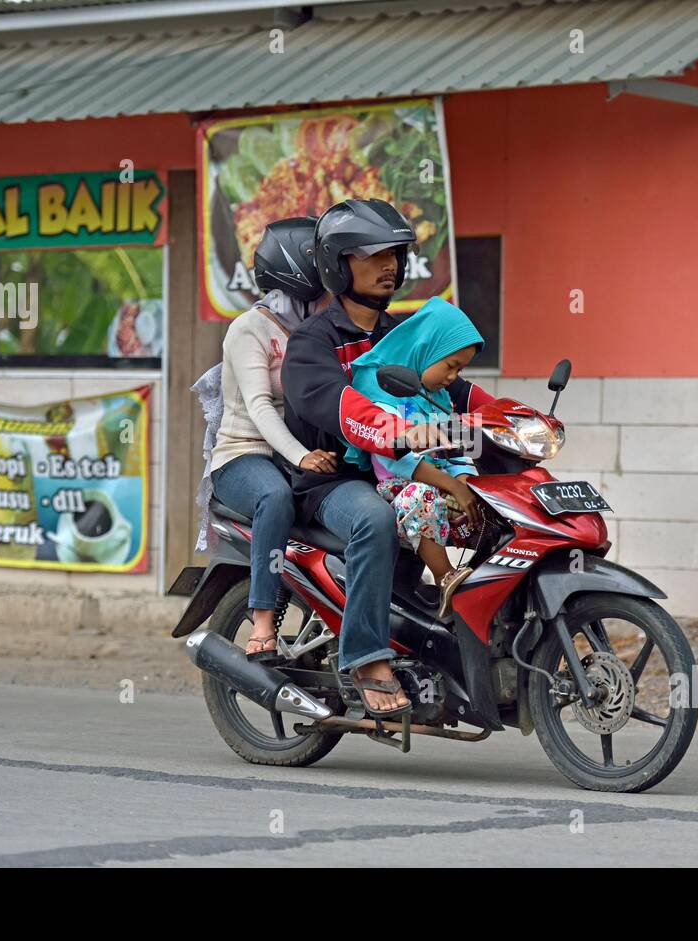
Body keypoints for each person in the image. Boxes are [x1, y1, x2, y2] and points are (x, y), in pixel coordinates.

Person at [282, 199, 495, 716]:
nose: (390, 267)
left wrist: (512, 421)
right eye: (372, 255)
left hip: (400, 469)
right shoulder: (314, 341)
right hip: (334, 481)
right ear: (337, 262)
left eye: (396, 255)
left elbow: (451, 389)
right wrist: (397, 433)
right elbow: (341, 405)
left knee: (492, 502)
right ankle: (365, 657)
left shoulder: (397, 334)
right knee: (375, 519)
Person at [207, 217, 337, 655]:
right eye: (318, 292)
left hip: (297, 454)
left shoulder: (315, 331)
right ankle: (261, 622)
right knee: (275, 498)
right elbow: (260, 407)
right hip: (244, 455)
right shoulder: (250, 329)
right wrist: (301, 457)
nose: (326, 300)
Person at [343, 296, 486, 619]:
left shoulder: (438, 397)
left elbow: (455, 447)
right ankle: (445, 576)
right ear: (426, 348)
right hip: (398, 487)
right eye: (450, 366)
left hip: (440, 484)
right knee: (419, 497)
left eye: (460, 370)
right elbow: (397, 460)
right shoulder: (380, 387)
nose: (453, 377)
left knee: (488, 501)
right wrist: (452, 485)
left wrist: (464, 479)